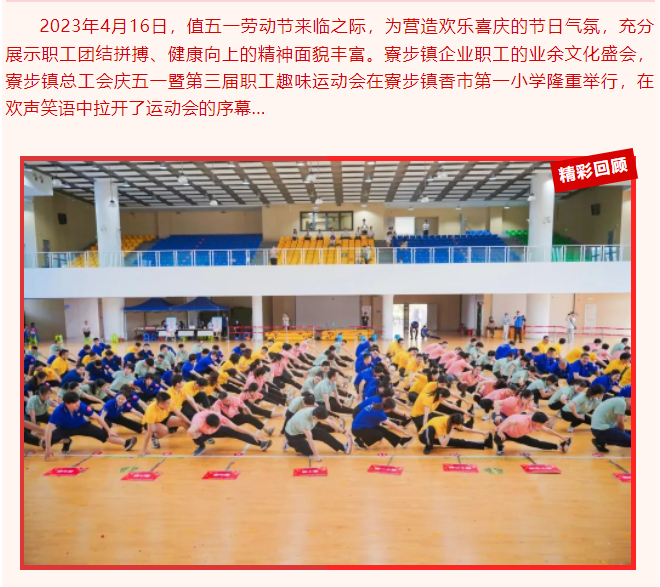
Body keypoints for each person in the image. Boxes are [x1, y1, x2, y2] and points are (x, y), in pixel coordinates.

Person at [43, 391, 137, 459]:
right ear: (67, 404)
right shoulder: (58, 411)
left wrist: (109, 430)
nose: (78, 404)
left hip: (82, 426)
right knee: (45, 442)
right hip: (65, 428)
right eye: (75, 403)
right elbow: (48, 429)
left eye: (78, 401)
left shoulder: (82, 406)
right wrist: (48, 448)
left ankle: (126, 443)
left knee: (104, 434)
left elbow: (98, 418)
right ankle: (66, 441)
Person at [188, 410, 272, 456]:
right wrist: (195, 436)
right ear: (209, 425)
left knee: (234, 431)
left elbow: (237, 428)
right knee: (197, 439)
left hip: (214, 432)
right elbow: (190, 431)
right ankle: (202, 446)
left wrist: (253, 434)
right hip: (202, 433)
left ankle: (261, 444)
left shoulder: (219, 417)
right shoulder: (198, 420)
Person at [284, 406, 352, 461]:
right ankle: (289, 442)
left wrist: (344, 432)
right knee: (310, 452)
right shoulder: (305, 420)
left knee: (323, 433)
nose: (324, 420)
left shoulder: (317, 411)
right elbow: (310, 439)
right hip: (293, 434)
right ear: (315, 417)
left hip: (302, 429)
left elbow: (331, 422)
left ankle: (343, 448)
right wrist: (316, 455)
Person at [495, 412, 572, 455]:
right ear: (535, 422)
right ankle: (500, 446)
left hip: (518, 435)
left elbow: (547, 430)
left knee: (536, 442)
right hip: (505, 432)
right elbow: (510, 422)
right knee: (498, 438)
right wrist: (500, 431)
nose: (542, 425)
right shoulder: (523, 422)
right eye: (542, 423)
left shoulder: (535, 423)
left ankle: (560, 447)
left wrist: (561, 436)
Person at [419, 413, 493, 454]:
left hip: (436, 436)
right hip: (423, 437)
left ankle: (485, 444)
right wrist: (450, 431)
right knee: (430, 429)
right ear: (454, 423)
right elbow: (443, 444)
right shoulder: (440, 424)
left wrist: (482, 432)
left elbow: (467, 429)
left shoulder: (453, 420)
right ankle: (428, 446)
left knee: (460, 442)